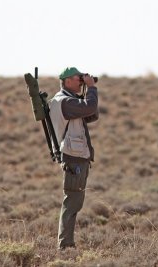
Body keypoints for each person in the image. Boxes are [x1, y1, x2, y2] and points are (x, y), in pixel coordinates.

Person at [48, 67, 99, 250]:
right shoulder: (65, 102)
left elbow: (91, 114)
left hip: (76, 156)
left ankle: (67, 244)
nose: (80, 80)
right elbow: (90, 107)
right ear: (67, 80)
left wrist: (87, 90)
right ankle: (66, 246)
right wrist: (91, 88)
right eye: (78, 78)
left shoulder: (67, 100)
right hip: (74, 158)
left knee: (74, 202)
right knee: (72, 203)